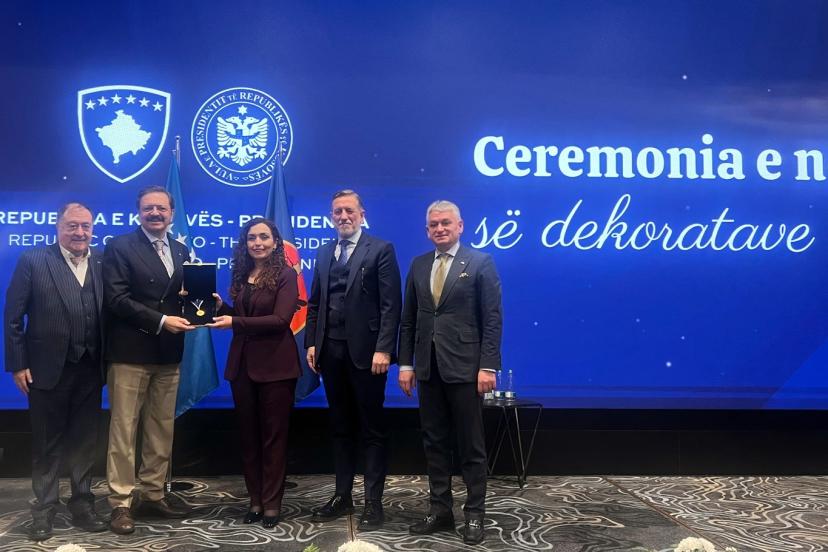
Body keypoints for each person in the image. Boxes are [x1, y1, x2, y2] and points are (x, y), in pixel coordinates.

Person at [398, 200, 502, 545]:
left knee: (471, 444)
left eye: (445, 223)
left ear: (460, 226)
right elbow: (408, 320)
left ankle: (474, 514)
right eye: (434, 224)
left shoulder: (480, 262)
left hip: (467, 369)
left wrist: (488, 365)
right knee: (434, 442)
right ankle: (440, 510)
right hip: (428, 368)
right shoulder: (418, 264)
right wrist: (406, 364)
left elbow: (492, 318)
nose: (439, 229)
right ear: (427, 230)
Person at [3, 202, 108, 541]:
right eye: (72, 226)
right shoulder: (34, 260)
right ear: (58, 227)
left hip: (91, 368)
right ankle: (44, 510)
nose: (80, 232)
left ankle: (82, 505)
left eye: (86, 226)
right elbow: (13, 316)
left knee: (85, 442)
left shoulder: (103, 261)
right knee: (47, 445)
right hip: (45, 370)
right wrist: (18, 363)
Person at [305, 190, 401, 530]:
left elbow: (391, 304)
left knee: (372, 429)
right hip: (330, 353)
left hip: (368, 355)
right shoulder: (324, 251)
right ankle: (342, 495)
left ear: (362, 214)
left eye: (349, 211)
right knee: (340, 427)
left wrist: (384, 348)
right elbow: (315, 304)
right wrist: (312, 342)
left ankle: (373, 502)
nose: (343, 216)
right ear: (331, 216)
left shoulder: (381, 249)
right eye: (337, 212)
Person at [103, 186, 193, 534]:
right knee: (124, 430)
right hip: (130, 352)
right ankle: (121, 503)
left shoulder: (181, 250)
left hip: (168, 353)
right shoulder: (120, 246)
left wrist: (204, 303)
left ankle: (153, 494)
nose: (155, 213)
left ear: (172, 213)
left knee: (160, 428)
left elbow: (183, 298)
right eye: (148, 208)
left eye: (161, 208)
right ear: (138, 212)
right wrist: (161, 320)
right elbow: (116, 298)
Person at [207, 217, 300, 528]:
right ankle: (255, 501)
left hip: (276, 367)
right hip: (243, 367)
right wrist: (222, 308)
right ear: (244, 244)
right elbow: (243, 316)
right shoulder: (243, 273)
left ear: (275, 242)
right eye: (251, 238)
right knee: (248, 438)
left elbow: (280, 320)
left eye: (263, 237)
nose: (257, 243)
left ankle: (272, 503)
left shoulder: (286, 274)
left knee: (274, 439)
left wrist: (235, 322)